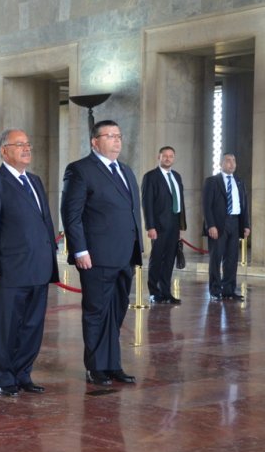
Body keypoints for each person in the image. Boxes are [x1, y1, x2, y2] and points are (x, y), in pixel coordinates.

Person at [0, 129, 58, 397]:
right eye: (19, 144)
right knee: (7, 326)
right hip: (10, 270)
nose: (26, 148)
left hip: (39, 268)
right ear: (4, 151)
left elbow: (45, 221)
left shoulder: (34, 180)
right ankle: (4, 377)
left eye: (28, 144)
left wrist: (51, 258)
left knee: (32, 326)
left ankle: (23, 373)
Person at [61, 120, 142, 386]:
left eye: (119, 136)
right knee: (97, 312)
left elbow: (131, 212)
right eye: (110, 136)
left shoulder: (126, 171)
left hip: (125, 255)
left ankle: (112, 364)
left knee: (116, 312)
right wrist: (80, 249)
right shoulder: (80, 170)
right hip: (96, 256)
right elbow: (71, 215)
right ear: (95, 142)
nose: (117, 141)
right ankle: (96, 367)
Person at [141, 146, 186, 304]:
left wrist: (181, 226)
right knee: (157, 259)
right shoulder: (150, 177)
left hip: (174, 225)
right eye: (164, 156)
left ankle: (166, 292)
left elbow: (180, 203)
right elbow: (147, 204)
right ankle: (154, 292)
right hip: (158, 226)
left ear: (174, 158)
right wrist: (150, 226)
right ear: (158, 157)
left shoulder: (177, 176)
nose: (168, 158)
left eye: (171, 156)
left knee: (169, 260)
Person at [202, 153, 250, 301]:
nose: (232, 163)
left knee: (231, 258)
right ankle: (215, 290)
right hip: (218, 224)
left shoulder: (239, 182)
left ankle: (229, 290)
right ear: (221, 164)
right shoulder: (212, 181)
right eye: (228, 160)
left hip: (235, 223)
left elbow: (244, 205)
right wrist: (211, 225)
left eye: (234, 160)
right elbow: (207, 206)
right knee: (216, 258)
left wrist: (246, 225)